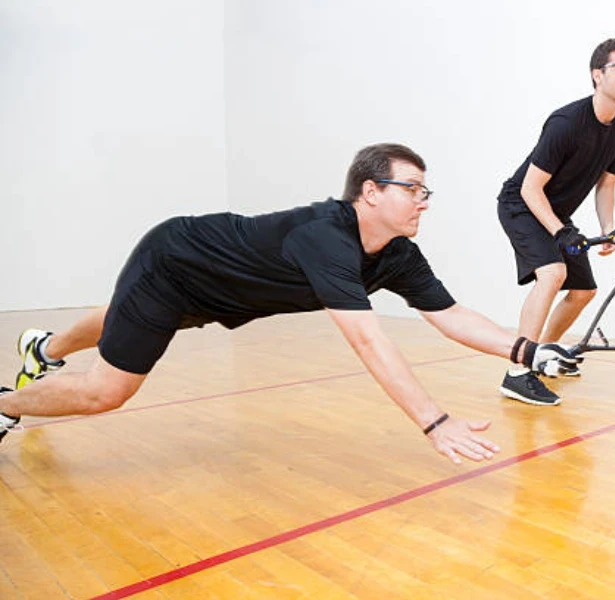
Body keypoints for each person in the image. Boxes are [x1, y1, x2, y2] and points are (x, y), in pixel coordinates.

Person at [0, 143, 580, 464]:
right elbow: (367, 339)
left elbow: (451, 316)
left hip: (220, 292)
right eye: (413, 190)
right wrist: (433, 421)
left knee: (121, 317)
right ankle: (7, 404)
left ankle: (43, 346)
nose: (423, 202)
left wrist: (530, 351)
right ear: (370, 192)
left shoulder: (397, 253)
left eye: (427, 192)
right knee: (107, 391)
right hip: (175, 263)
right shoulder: (327, 237)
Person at [496, 38, 615, 406]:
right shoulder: (566, 123)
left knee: (583, 291)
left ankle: (542, 353)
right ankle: (517, 373)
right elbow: (530, 187)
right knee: (552, 273)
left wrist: (607, 228)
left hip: (556, 214)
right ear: (597, 75)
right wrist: (560, 232)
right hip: (521, 205)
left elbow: (606, 185)